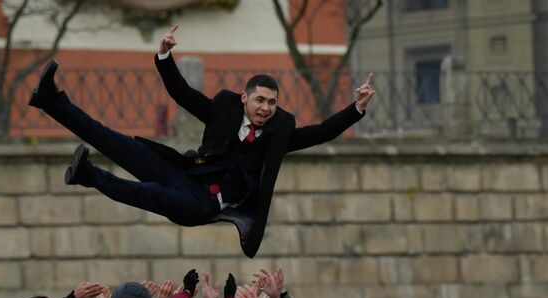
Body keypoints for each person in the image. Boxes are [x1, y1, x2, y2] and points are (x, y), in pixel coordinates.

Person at [27, 25, 375, 258]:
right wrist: (165, 56)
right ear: (245, 98)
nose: (266, 109)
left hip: (204, 205)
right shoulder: (223, 111)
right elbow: (181, 93)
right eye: (260, 101)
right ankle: (51, 101)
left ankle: (89, 176)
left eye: (272, 103)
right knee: (114, 141)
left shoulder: (278, 135)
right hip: (186, 171)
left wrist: (356, 108)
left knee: (151, 195)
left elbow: (322, 132)